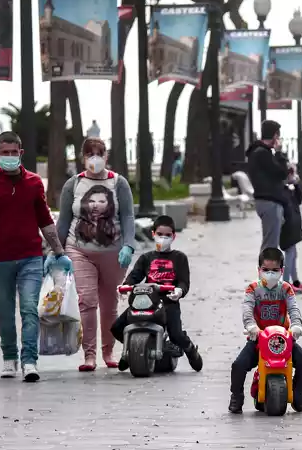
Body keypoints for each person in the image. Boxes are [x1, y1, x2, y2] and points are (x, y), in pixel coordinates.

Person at [0, 131, 70, 383]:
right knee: (5, 311)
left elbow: (45, 220)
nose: (10, 157)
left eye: (15, 153)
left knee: (29, 309)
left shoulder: (34, 183)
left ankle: (29, 361)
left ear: (21, 154)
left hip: (30, 258)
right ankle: (9, 358)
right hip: (0, 259)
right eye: (6, 153)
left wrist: (59, 252)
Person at [56, 137, 136, 371]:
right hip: (79, 249)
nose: (95, 158)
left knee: (109, 303)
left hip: (114, 252)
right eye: (90, 154)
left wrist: (128, 245)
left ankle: (108, 352)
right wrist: (56, 251)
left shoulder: (118, 183)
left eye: (99, 153)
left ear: (106, 156)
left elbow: (128, 217)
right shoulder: (74, 184)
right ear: (82, 158)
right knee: (87, 301)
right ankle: (89, 355)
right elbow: (64, 220)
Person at [110, 215, 202, 372]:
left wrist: (179, 291)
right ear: (153, 234)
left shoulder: (179, 258)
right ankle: (131, 350)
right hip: (146, 299)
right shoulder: (146, 258)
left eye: (167, 235)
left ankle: (190, 350)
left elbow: (183, 281)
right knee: (117, 327)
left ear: (173, 236)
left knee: (176, 334)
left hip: (168, 301)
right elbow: (135, 275)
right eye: (160, 234)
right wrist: (125, 286)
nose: (163, 238)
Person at [229, 247, 302, 414]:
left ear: (282, 271)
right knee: (238, 365)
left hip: (283, 340)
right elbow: (247, 307)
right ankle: (236, 396)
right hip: (258, 339)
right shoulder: (253, 289)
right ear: (259, 269)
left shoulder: (286, 289)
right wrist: (251, 326)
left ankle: (298, 393)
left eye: (275, 270)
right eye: (266, 270)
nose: (270, 273)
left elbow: (293, 308)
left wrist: (297, 325)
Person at [246, 120, 289, 252]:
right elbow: (281, 173)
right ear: (275, 136)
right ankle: (268, 273)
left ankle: (269, 272)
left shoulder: (258, 152)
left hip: (265, 200)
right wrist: (279, 153)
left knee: (270, 242)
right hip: (270, 200)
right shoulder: (263, 154)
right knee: (270, 244)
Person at [281, 166, 302, 293]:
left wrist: (297, 184)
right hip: (286, 224)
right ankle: (286, 283)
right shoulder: (281, 190)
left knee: (293, 253)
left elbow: (299, 199)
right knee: (290, 253)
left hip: (294, 223)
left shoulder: (290, 189)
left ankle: (295, 281)